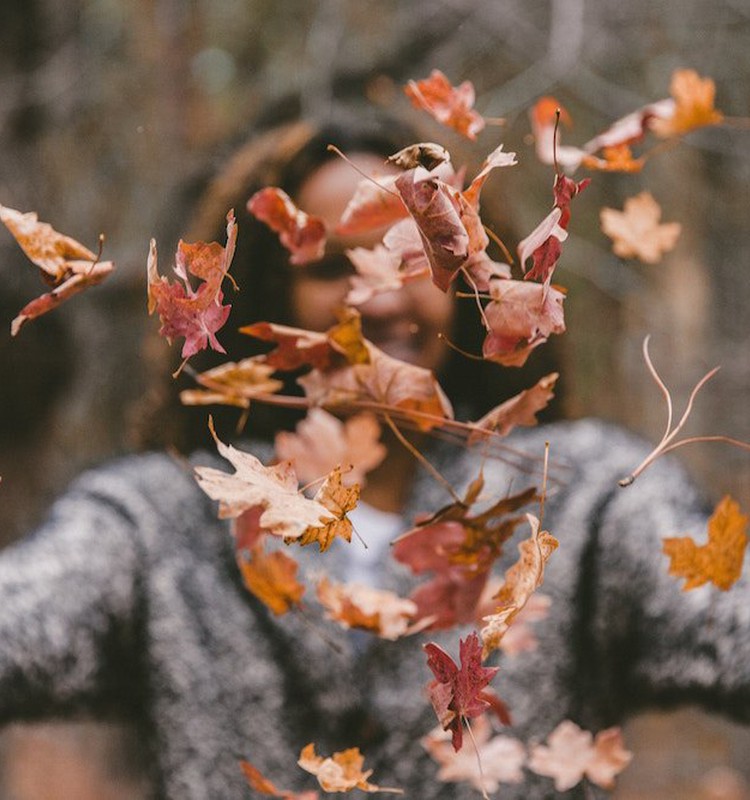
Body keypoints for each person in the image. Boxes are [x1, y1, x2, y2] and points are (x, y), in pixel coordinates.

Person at [0, 100, 748, 800]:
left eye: (415, 260)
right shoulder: (160, 521)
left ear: (472, 279)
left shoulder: (581, 498)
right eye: (331, 269)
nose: (379, 297)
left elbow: (727, 625)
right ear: (269, 295)